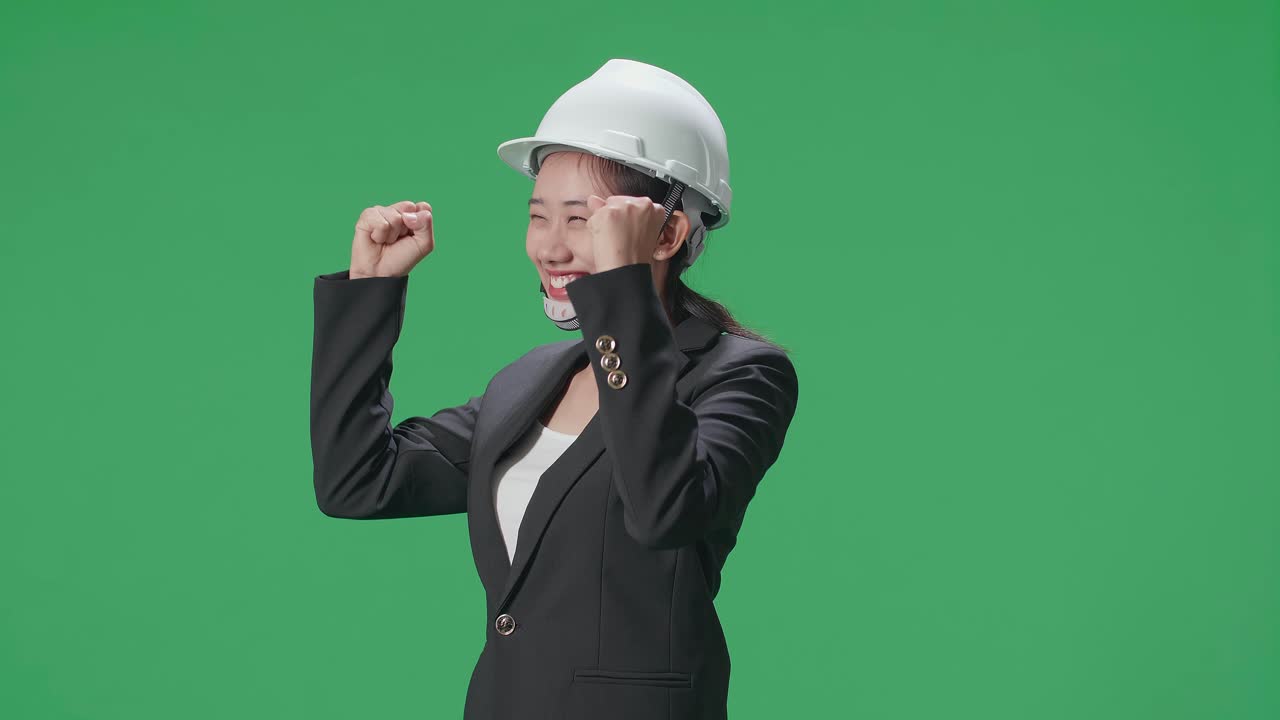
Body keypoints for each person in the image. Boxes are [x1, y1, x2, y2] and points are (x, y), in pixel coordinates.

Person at [310, 58, 800, 720]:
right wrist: (370, 293)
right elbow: (358, 482)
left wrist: (622, 289)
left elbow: (664, 511)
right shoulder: (529, 381)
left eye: (582, 220)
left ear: (669, 232)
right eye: (539, 216)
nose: (551, 247)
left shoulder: (741, 373)